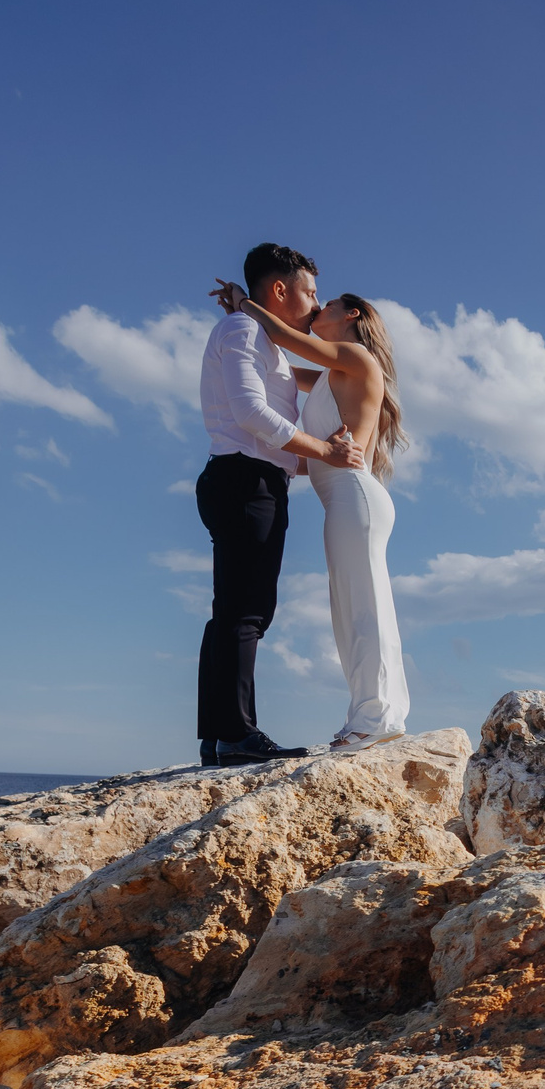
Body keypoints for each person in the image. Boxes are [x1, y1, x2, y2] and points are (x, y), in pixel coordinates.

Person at [211, 281, 412, 751]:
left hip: (354, 497)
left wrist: (244, 303)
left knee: (364, 605)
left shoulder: (357, 359)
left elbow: (283, 338)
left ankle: (377, 717)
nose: (319, 307)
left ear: (353, 317)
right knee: (351, 606)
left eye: (329, 304)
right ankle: (373, 712)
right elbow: (281, 368)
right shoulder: (330, 373)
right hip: (341, 500)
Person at [193, 243, 367, 767]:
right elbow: (250, 413)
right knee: (245, 613)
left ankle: (218, 735)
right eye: (311, 292)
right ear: (279, 290)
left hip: (251, 481)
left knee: (236, 612)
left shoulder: (260, 337)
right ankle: (237, 735)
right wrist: (325, 451)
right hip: (245, 482)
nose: (316, 304)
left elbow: (293, 392)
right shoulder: (243, 333)